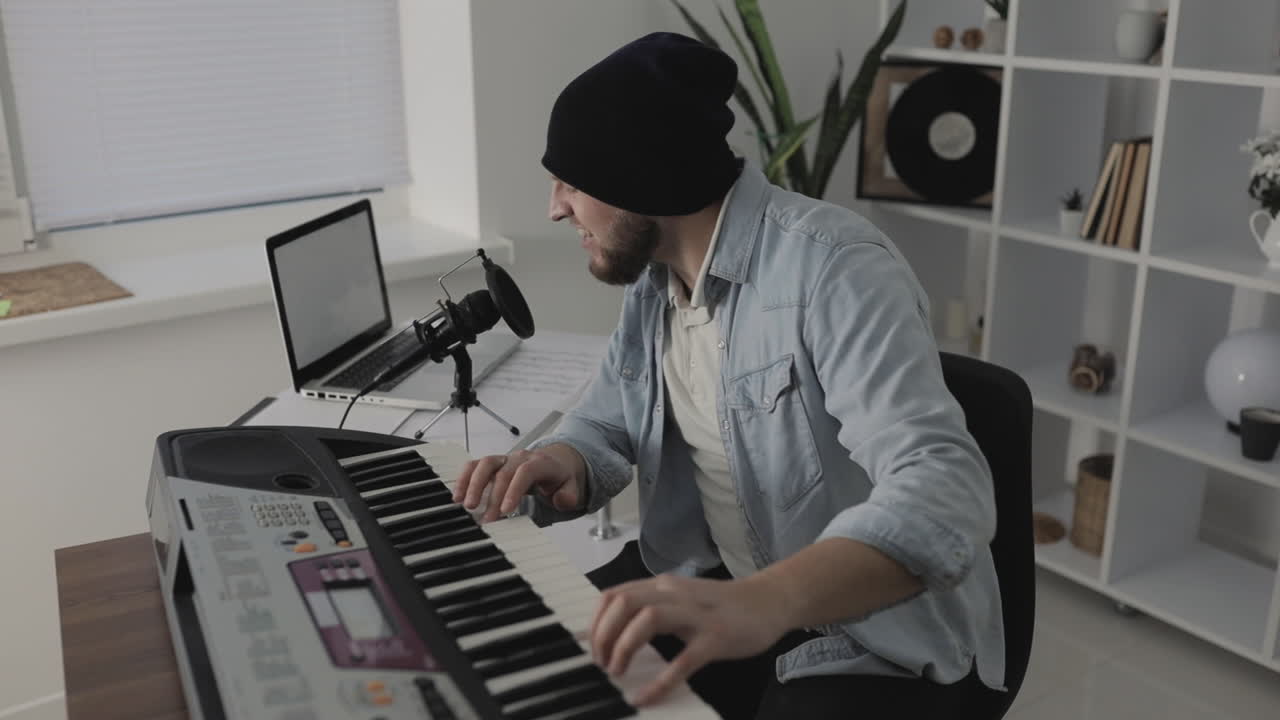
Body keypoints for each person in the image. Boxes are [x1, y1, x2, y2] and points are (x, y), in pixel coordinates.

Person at [451, 32, 1005, 719]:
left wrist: (763, 601)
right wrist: (566, 459)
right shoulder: (656, 276)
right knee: (528, 668)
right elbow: (608, 418)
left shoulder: (838, 268)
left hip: (864, 634)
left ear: (639, 179)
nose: (556, 207)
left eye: (571, 180)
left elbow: (947, 490)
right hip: (717, 584)